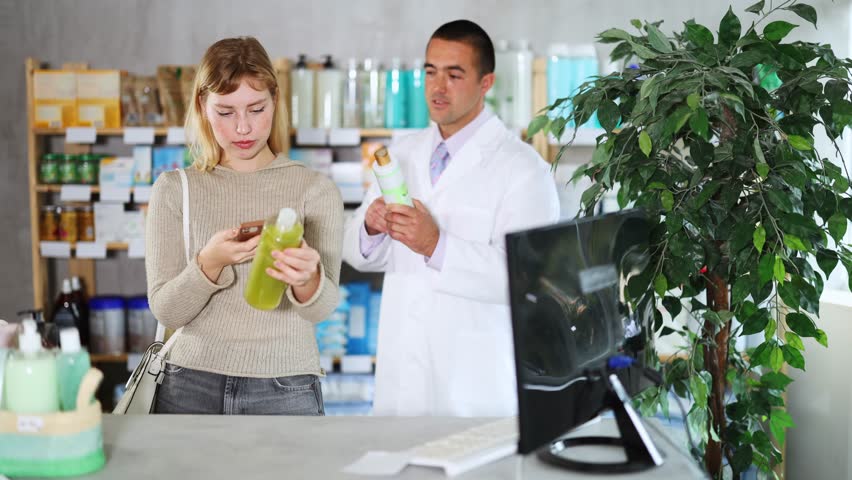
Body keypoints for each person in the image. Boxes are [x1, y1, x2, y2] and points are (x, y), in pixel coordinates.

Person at [342, 20, 560, 417]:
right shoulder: (402, 153)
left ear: (486, 82)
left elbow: (531, 279)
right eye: (430, 72)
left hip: (474, 388)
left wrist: (435, 245)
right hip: (401, 382)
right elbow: (356, 252)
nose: (437, 87)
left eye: (454, 74)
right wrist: (371, 228)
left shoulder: (524, 169)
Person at [146, 37, 343, 415]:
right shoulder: (175, 189)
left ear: (275, 100)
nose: (243, 128)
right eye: (225, 112)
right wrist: (209, 263)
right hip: (189, 383)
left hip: (286, 387)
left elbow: (321, 310)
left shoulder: (314, 190)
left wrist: (306, 280)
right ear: (202, 107)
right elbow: (167, 312)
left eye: (256, 109)